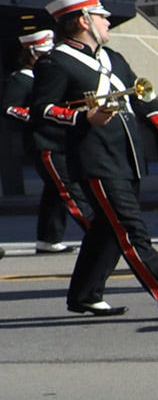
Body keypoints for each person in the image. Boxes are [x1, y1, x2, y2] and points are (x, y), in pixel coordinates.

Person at [29, 0, 158, 320]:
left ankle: (85, 294)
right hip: (95, 159)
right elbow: (42, 109)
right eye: (101, 16)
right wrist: (82, 116)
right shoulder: (55, 62)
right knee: (130, 228)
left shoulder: (115, 59)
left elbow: (142, 98)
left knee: (107, 230)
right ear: (83, 20)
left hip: (127, 157)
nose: (107, 21)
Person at [5, 27, 89, 253]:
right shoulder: (21, 79)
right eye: (42, 52)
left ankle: (48, 238)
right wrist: (36, 115)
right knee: (69, 189)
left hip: (60, 139)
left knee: (55, 192)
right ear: (31, 52)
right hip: (44, 141)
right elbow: (9, 108)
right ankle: (99, 233)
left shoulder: (50, 73)